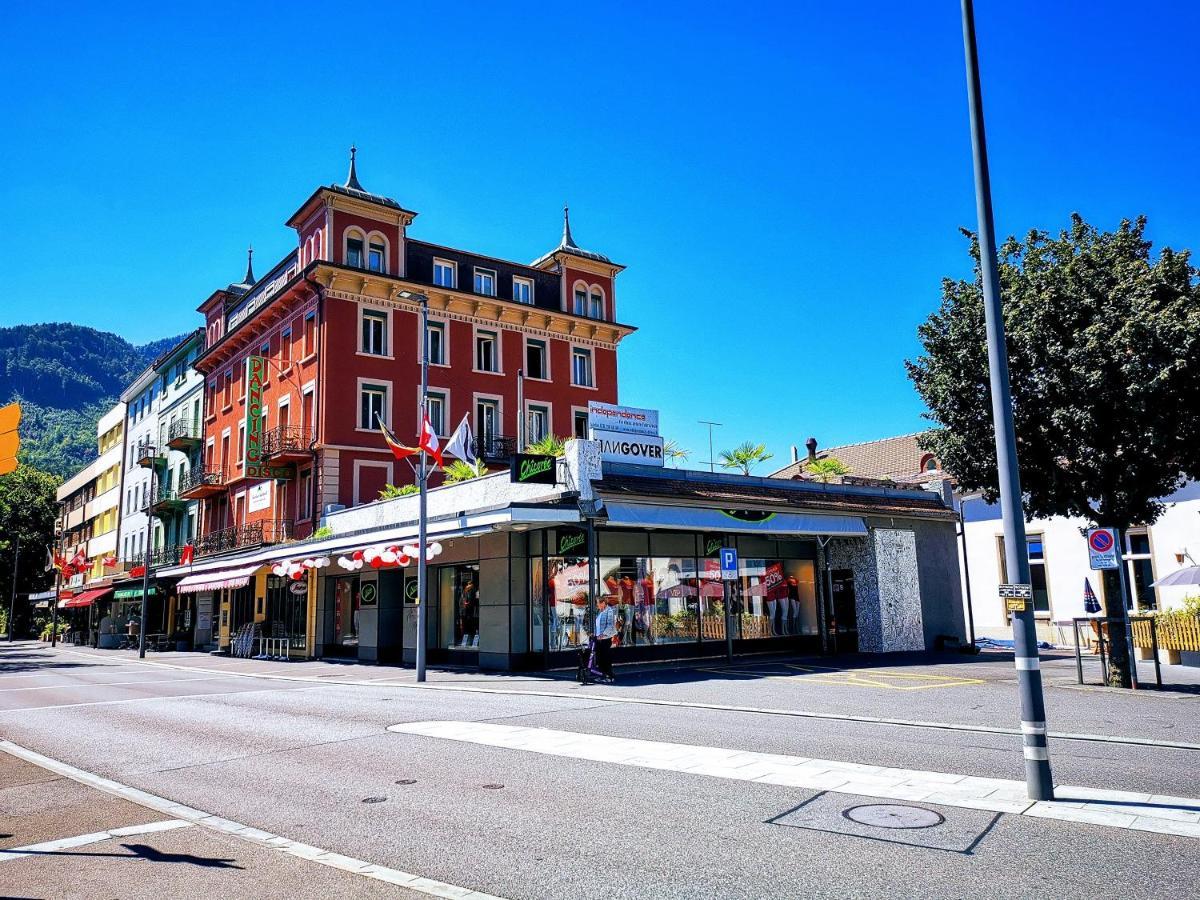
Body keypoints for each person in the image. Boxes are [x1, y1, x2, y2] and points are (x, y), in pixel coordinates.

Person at [592, 596, 618, 683]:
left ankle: (609, 676)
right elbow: (597, 624)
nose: (597, 605)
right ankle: (602, 675)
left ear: (603, 603)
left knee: (606, 658)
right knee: (599, 658)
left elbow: (610, 625)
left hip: (606, 638)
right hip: (598, 638)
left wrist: (603, 634)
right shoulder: (599, 612)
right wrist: (595, 634)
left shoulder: (609, 611)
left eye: (598, 603)